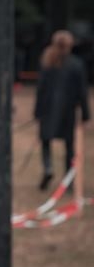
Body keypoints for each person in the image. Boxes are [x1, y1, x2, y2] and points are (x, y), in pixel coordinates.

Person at [34, 29, 90, 190]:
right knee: (69, 146)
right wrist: (85, 115)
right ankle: (68, 179)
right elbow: (82, 92)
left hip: (47, 109)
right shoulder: (76, 64)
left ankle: (48, 167)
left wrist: (37, 111)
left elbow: (41, 89)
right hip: (67, 111)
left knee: (46, 141)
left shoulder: (47, 61)